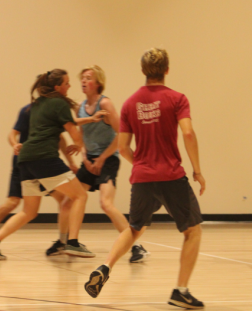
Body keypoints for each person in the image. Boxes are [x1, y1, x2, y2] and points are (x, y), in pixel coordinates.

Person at [84, 48, 206, 309]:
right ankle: (181, 291)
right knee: (193, 231)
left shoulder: (130, 103)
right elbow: (187, 134)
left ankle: (105, 266)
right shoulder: (177, 99)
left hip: (142, 177)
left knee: (134, 228)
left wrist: (140, 163)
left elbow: (124, 147)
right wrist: (196, 170)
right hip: (171, 175)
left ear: (143, 71)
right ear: (167, 70)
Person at [0, 69, 92, 260]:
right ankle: (72, 243)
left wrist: (89, 119)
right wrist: (78, 145)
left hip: (25, 159)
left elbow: (62, 123)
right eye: (67, 83)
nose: (70, 86)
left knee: (29, 211)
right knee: (80, 196)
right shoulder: (59, 103)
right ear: (57, 87)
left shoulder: (37, 104)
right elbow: (74, 132)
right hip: (44, 157)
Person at [46, 65, 149, 263]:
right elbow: (80, 137)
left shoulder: (106, 104)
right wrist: (84, 157)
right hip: (89, 160)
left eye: (88, 78)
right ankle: (62, 241)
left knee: (106, 204)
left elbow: (121, 135)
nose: (84, 81)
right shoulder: (80, 107)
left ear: (98, 83)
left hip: (108, 160)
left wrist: (102, 159)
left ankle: (137, 246)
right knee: (68, 202)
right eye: (82, 78)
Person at [0, 102, 103, 248]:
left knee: (56, 202)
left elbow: (62, 134)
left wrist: (71, 161)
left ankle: (62, 241)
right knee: (15, 202)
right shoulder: (30, 110)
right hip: (32, 162)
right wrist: (15, 144)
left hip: (36, 162)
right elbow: (12, 134)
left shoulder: (49, 109)